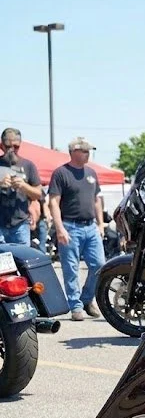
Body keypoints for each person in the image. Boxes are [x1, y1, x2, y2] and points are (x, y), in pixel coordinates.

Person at [49, 137, 106, 321]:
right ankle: (75, 305)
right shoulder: (61, 173)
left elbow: (97, 199)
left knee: (99, 265)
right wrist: (59, 228)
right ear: (74, 151)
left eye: (89, 151)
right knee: (71, 268)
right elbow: (53, 202)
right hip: (70, 226)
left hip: (91, 226)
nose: (88, 154)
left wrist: (100, 223)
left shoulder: (91, 173)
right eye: (85, 151)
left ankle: (87, 298)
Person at [0, 128, 44, 245]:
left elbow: (38, 194)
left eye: (16, 146)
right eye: (8, 146)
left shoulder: (28, 165)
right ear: (1, 146)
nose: (12, 150)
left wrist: (24, 186)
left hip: (20, 224)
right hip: (0, 224)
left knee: (22, 260)